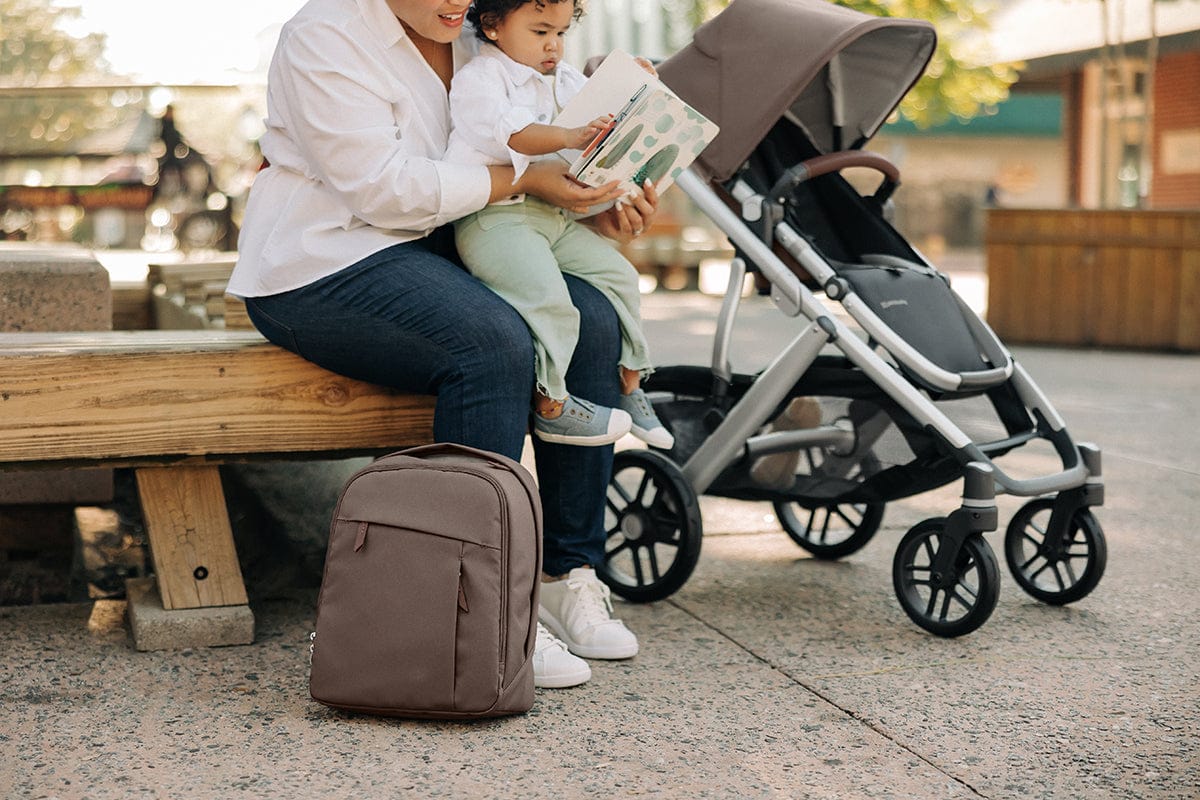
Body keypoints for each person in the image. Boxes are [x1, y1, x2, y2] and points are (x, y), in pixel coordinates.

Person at [226, 0, 661, 690]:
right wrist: (524, 180)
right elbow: (383, 190)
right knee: (490, 342)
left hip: (449, 245)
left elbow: (541, 145)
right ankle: (481, 603)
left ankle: (566, 573)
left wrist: (598, 207)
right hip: (325, 260)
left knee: (595, 318)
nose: (459, 0)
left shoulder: (486, 28)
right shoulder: (325, 37)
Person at [445, 0, 674, 450]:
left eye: (561, 33)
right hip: (498, 219)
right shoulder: (481, 78)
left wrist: (638, 88)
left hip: (552, 218)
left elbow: (603, 116)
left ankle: (629, 383)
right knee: (551, 300)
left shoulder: (565, 78)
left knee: (621, 277)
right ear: (492, 27)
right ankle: (551, 405)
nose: (553, 45)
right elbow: (513, 135)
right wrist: (570, 135)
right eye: (540, 32)